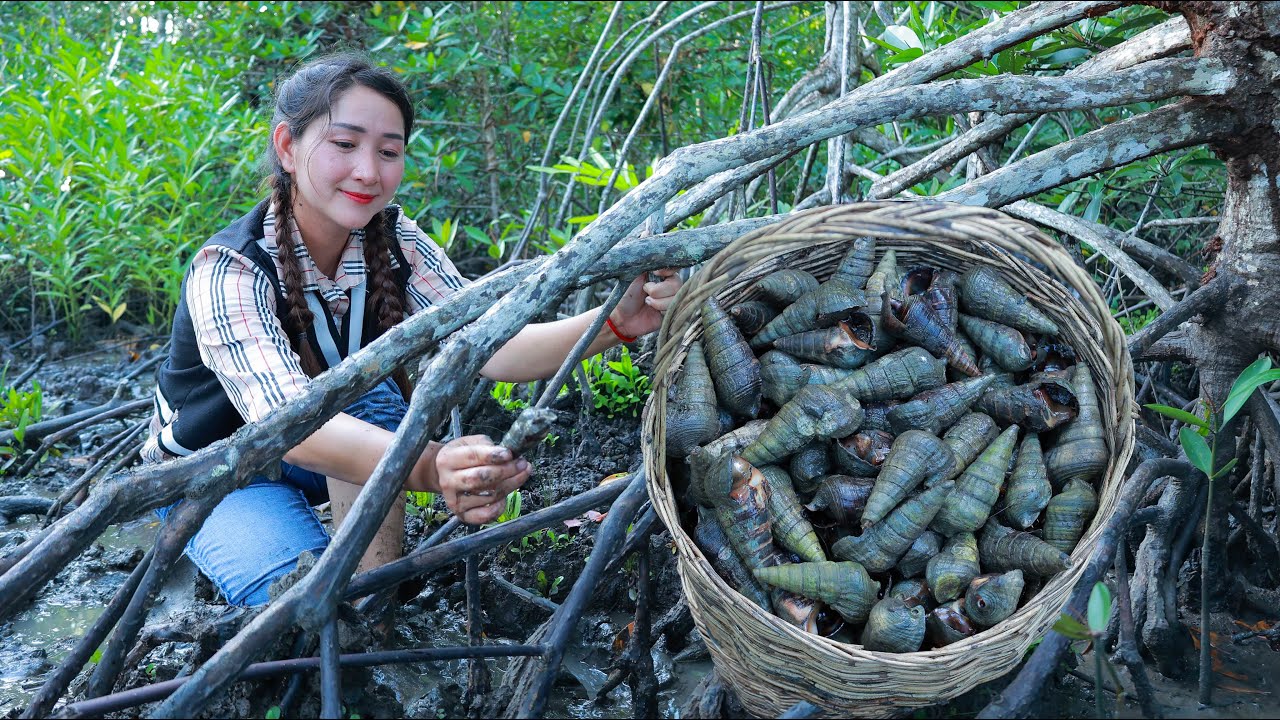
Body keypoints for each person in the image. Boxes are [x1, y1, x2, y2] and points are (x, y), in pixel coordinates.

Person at [141, 51, 681, 608]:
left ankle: (378, 592)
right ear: (287, 146)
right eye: (344, 145)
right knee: (296, 607)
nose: (368, 171)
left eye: (389, 151)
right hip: (218, 474)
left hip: (340, 447)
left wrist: (616, 321)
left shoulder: (395, 240)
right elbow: (290, 427)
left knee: (360, 575)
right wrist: (430, 466)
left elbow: (493, 346)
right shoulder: (230, 268)